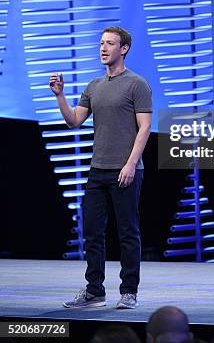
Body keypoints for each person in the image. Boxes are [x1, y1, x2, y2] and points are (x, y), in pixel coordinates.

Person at [50, 26, 152, 310]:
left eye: (110, 43)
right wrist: (60, 96)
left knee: (128, 232)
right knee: (93, 232)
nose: (103, 48)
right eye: (101, 43)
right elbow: (74, 121)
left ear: (124, 49)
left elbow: (144, 128)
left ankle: (129, 291)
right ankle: (95, 290)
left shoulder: (137, 84)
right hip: (98, 170)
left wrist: (131, 164)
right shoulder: (94, 86)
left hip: (127, 170)